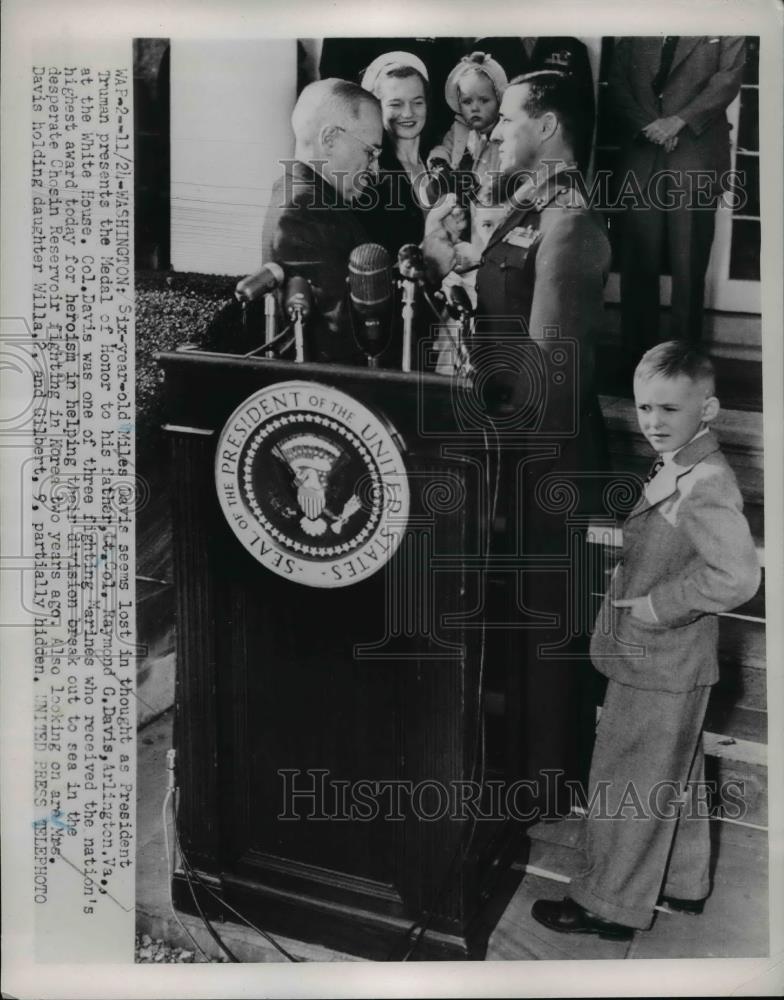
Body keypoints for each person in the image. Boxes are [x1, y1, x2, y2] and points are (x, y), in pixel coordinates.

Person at [426, 70, 611, 809]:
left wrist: (483, 424)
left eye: (507, 118)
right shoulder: (533, 205)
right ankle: (516, 770)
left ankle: (545, 783)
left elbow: (548, 370)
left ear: (548, 126)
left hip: (545, 455)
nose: (494, 131)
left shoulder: (570, 221)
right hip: (515, 446)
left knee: (545, 619)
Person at [532, 341, 760, 939]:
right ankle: (683, 883)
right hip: (670, 662)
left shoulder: (705, 481)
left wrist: (662, 604)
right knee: (672, 773)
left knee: (626, 781)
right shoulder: (681, 460)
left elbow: (738, 576)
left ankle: (607, 906)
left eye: (669, 409)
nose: (653, 422)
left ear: (707, 410)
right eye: (644, 407)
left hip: (661, 658)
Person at [608, 36, 746, 352]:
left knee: (689, 268)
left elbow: (727, 80)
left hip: (695, 156)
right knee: (637, 264)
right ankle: (638, 360)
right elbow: (617, 83)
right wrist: (650, 126)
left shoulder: (725, 23)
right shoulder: (640, 22)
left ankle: (684, 363)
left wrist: (677, 122)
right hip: (642, 154)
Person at [259, 78, 384, 364]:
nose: (375, 169)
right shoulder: (304, 210)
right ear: (329, 139)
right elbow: (347, 339)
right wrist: (430, 269)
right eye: (371, 152)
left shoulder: (305, 195)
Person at [359, 53, 435, 255]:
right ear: (377, 108)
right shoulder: (372, 177)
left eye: (417, 102)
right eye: (395, 104)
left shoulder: (439, 159)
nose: (408, 113)